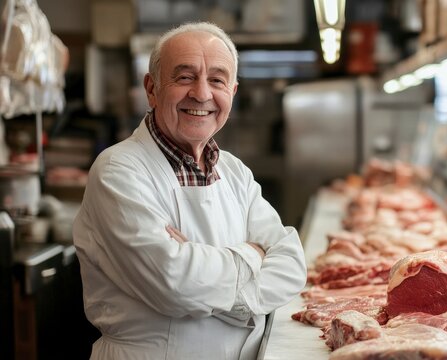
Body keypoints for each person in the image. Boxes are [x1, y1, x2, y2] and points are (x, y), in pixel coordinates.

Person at [72, 22, 307, 360]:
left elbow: (292, 266)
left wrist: (203, 275)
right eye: (184, 77)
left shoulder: (234, 171)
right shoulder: (118, 170)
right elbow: (175, 284)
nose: (201, 93)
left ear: (233, 92)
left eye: (217, 80)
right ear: (151, 89)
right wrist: (253, 255)